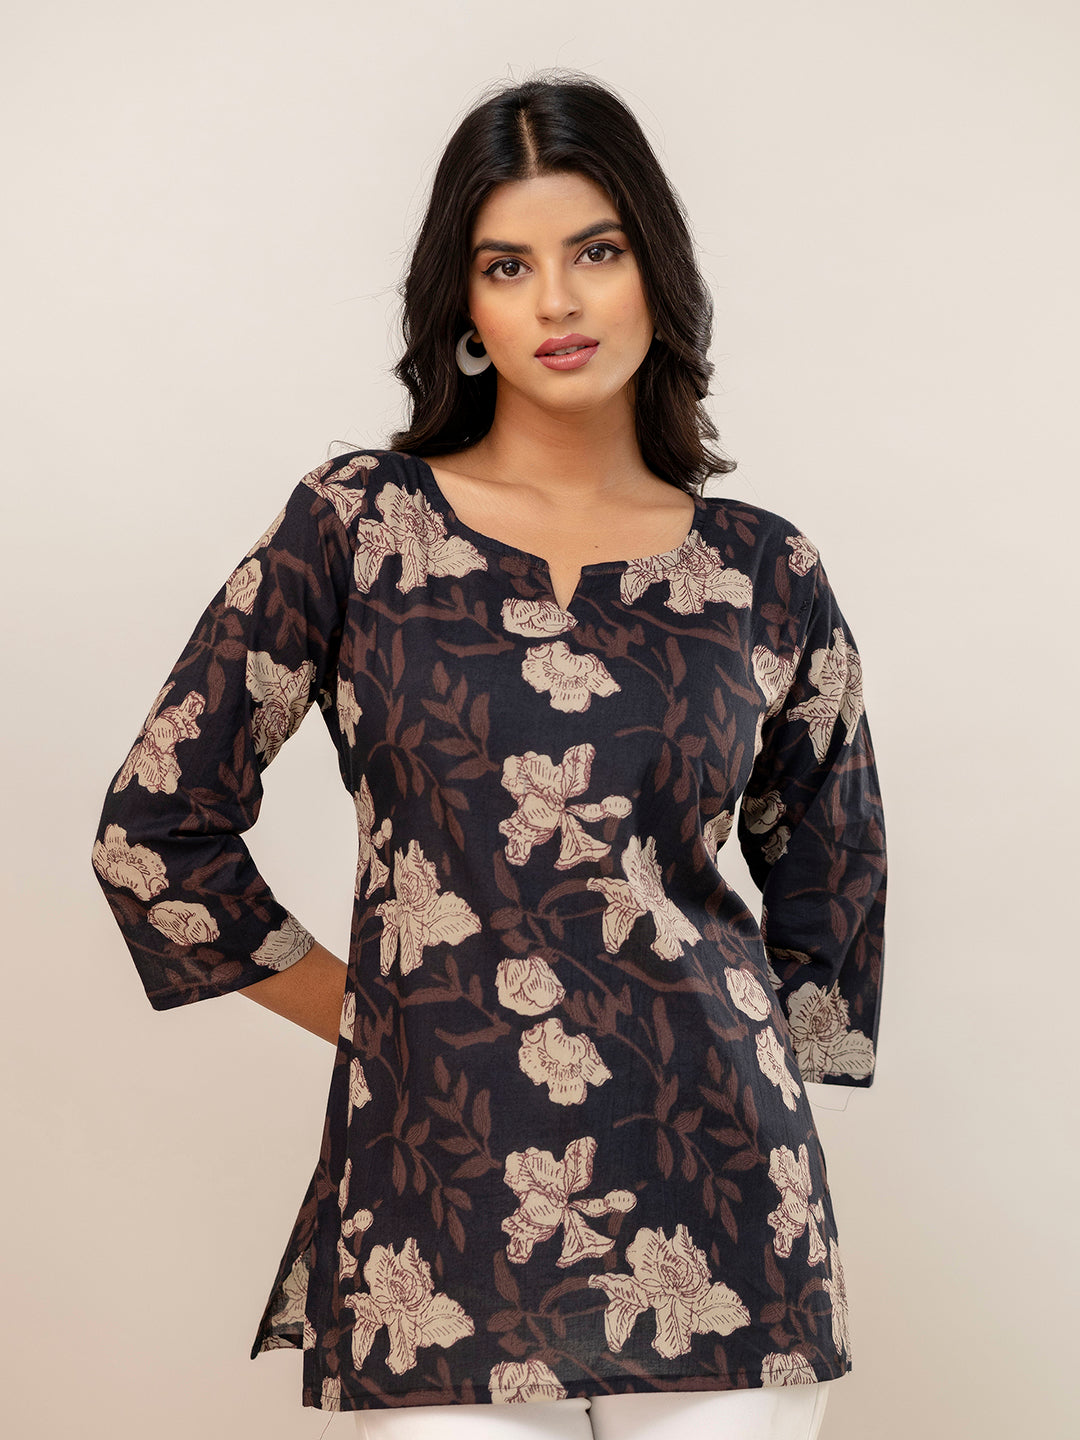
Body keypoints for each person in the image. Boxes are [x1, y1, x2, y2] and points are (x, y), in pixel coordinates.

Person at [90, 72, 886, 1440]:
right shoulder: (359, 527)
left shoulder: (764, 569)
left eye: (597, 251)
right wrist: (379, 1014)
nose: (557, 302)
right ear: (462, 308)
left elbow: (833, 877)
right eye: (507, 265)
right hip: (439, 1207)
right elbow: (153, 829)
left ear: (658, 270)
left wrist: (750, 1061)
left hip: (723, 1205)